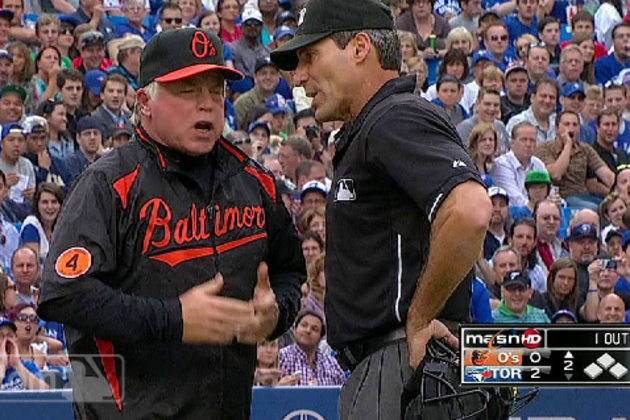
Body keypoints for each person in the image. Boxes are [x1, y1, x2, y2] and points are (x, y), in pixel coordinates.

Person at [38, 27, 305, 420]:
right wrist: (173, 320)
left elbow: (290, 270)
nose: (207, 105)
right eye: (187, 91)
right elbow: (63, 295)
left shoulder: (252, 180)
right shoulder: (108, 184)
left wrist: (275, 314)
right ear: (145, 102)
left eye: (216, 91)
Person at [271, 0, 493, 417]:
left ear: (359, 48)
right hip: (393, 368)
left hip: (402, 367)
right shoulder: (374, 126)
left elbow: (469, 209)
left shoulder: (394, 116)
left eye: (310, 57)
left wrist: (420, 318)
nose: (299, 78)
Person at [535, 110, 614, 210]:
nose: (571, 129)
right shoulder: (544, 148)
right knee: (594, 208)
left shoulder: (585, 149)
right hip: (561, 198)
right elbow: (556, 175)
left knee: (610, 206)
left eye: (575, 125)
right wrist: (568, 145)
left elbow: (606, 174)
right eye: (567, 124)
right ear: (557, 129)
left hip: (584, 195)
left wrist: (621, 189)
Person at [278, 310, 345, 386]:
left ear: (320, 337)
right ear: (295, 329)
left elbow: (344, 392)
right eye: (304, 325)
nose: (308, 330)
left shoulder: (331, 364)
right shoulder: (281, 357)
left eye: (314, 329)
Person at [491, 121, 546, 207]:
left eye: (532, 140)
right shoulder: (502, 164)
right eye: (524, 140)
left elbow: (550, 191)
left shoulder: (538, 163)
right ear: (512, 142)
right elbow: (515, 199)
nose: (528, 144)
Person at [0, 315, 48, 390]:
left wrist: (17, 365)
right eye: (1, 336)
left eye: (10, 336)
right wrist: (2, 366)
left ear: (15, 340)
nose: (6, 341)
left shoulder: (28, 365)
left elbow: (45, 392)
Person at [457, 88, 510, 153]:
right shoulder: (466, 127)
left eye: (496, 105)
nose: (492, 108)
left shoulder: (500, 126)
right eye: (487, 104)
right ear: (477, 104)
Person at [506, 77, 557, 144]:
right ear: (532, 98)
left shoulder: (559, 123)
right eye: (543, 96)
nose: (547, 101)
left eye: (552, 97)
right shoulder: (517, 122)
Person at [20, 182, 63, 260]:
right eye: (45, 202)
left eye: (54, 202)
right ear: (37, 205)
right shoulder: (31, 226)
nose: (50, 207)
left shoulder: (62, 226)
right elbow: (32, 265)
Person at [0, 122, 36, 204]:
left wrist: (32, 194)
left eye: (20, 140)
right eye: (11, 140)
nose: (16, 144)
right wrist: (4, 186)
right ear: (2, 144)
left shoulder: (27, 165)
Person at [231, 8, 270, 79]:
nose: (252, 26)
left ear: (261, 27)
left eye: (256, 23)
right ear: (241, 26)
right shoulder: (233, 49)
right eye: (248, 23)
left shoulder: (268, 51)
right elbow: (241, 75)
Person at [64, 115, 103, 183]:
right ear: (78, 138)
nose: (92, 137)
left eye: (96, 133)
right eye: (87, 134)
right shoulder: (72, 162)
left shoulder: (103, 161)